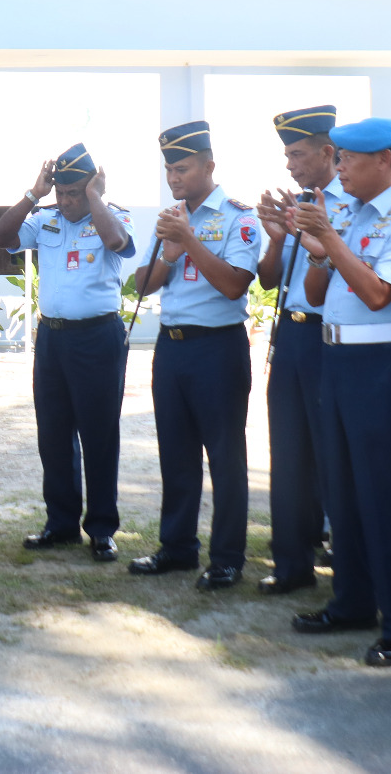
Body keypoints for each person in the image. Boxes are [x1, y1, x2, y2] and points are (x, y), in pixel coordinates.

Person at [290, 117, 391, 668]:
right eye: (338, 158)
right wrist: (318, 249)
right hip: (338, 359)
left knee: (389, 494)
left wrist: (329, 239)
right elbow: (315, 293)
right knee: (345, 491)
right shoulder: (350, 215)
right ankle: (351, 601)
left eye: (348, 159)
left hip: (385, 364)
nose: (341, 169)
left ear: (383, 160)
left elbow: (378, 294)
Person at [128, 120, 258, 591]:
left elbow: (234, 285)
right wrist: (168, 250)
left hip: (217, 347)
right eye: (169, 170)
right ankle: (178, 547)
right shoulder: (171, 217)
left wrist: (189, 240)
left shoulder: (240, 217)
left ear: (209, 166)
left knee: (225, 456)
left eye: (182, 168)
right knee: (176, 453)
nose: (174, 178)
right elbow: (142, 285)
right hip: (172, 347)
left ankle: (227, 558)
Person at [0, 143, 135, 563]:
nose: (67, 201)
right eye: (62, 192)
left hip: (97, 338)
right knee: (53, 434)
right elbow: (0, 238)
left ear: (91, 188)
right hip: (53, 340)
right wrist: (33, 195)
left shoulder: (113, 216)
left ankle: (102, 529)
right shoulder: (45, 219)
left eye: (75, 193)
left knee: (99, 435)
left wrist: (95, 199)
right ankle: (61, 523)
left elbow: (117, 241)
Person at [254, 105, 342, 595]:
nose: (290, 164)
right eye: (287, 155)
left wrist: (311, 238)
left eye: (298, 154)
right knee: (288, 452)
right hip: (291, 333)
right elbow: (270, 281)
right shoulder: (299, 204)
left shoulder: (347, 205)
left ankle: (343, 558)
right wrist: (277, 239)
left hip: (330, 337)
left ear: (328, 152)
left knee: (333, 453)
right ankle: (291, 562)